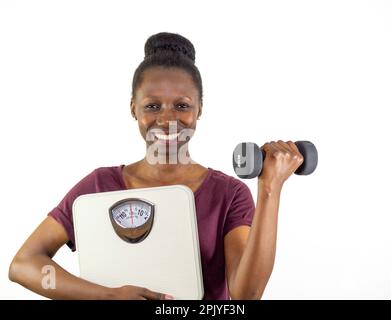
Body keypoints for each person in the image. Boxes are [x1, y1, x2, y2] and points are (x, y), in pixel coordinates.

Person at [8, 32, 304, 300]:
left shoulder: (229, 194)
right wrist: (107, 296)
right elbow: (24, 265)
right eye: (152, 106)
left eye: (182, 105)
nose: (166, 120)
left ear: (199, 109)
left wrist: (270, 188)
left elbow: (245, 296)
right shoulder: (98, 187)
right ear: (133, 108)